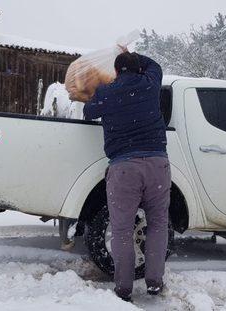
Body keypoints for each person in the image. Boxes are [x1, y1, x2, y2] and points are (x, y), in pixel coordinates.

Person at [83, 52, 170, 302]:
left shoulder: (107, 92)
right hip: (157, 164)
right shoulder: (150, 83)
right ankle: (154, 282)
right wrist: (128, 50)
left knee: (121, 230)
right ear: (139, 69)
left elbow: (88, 112)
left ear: (117, 71)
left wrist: (101, 92)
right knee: (157, 224)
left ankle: (123, 289)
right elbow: (154, 64)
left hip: (124, 168)